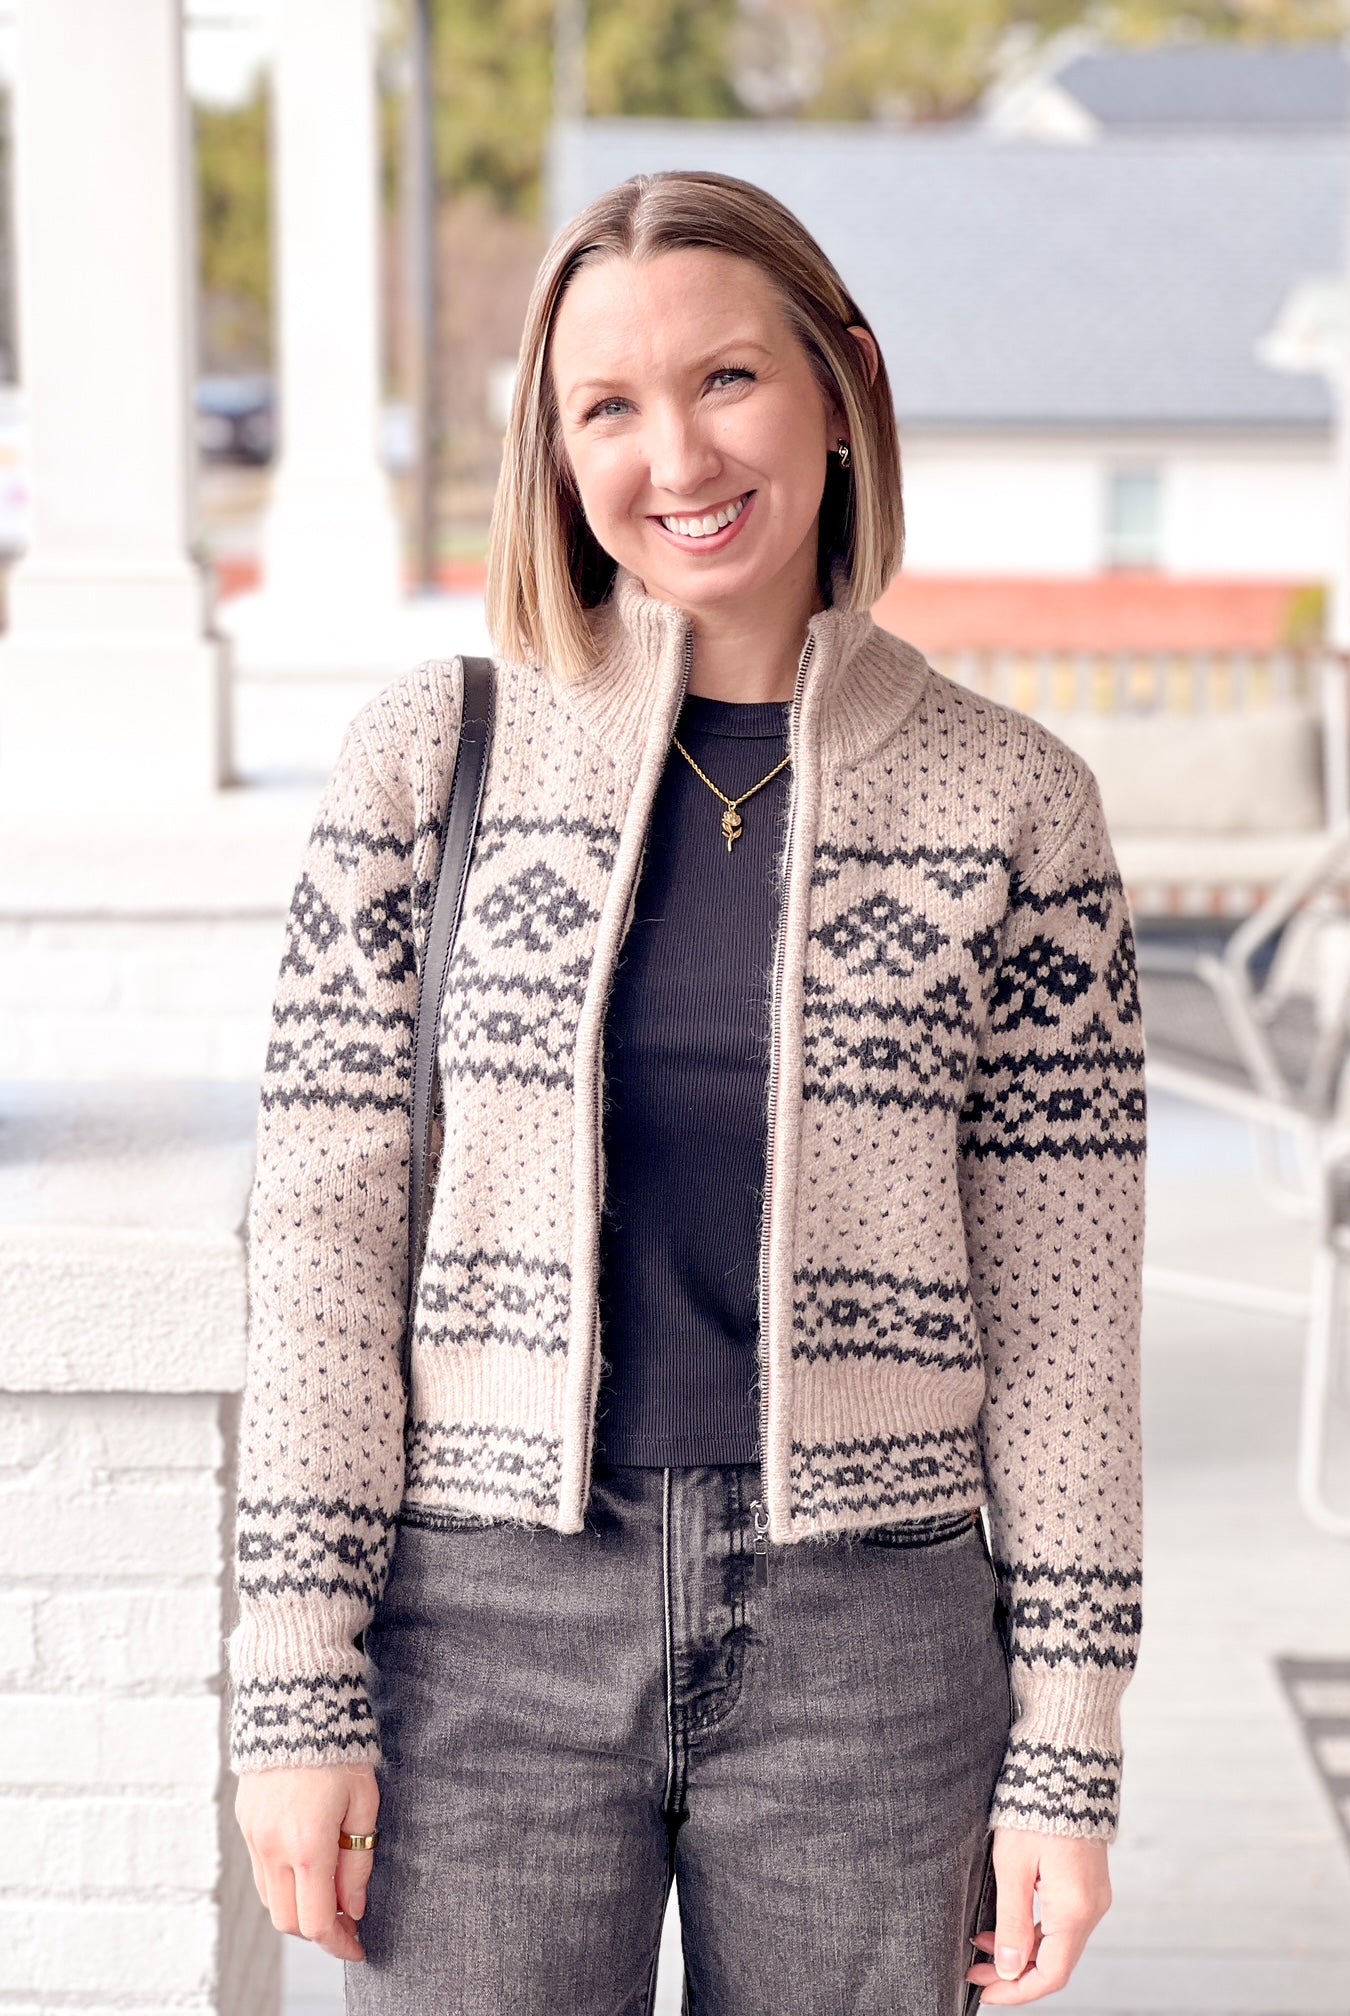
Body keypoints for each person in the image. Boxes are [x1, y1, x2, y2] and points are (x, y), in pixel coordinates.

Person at [229, 168, 1146, 2015]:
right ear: (554, 452)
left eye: (726, 380)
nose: (677, 454)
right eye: (608, 406)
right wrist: (295, 1678)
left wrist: (1068, 1741)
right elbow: (322, 1242)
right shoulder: (428, 756)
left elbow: (1063, 1323)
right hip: (480, 1629)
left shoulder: (1013, 804)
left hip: (870, 1640)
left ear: (839, 385)